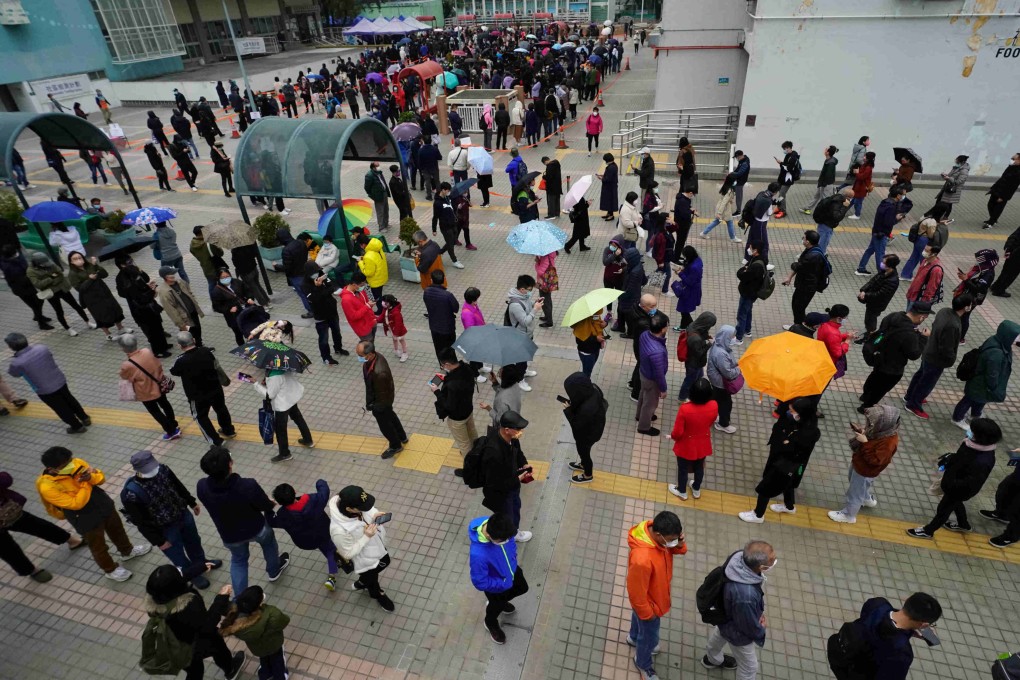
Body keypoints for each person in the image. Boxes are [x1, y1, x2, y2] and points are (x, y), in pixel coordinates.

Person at [36, 446, 150, 582]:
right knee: (98, 546)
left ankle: (127, 551)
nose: (71, 465)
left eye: (70, 460)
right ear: (51, 469)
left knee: (117, 530)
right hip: (83, 517)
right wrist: (86, 483)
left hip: (102, 504)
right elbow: (76, 503)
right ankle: (110, 570)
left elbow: (100, 478)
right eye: (65, 465)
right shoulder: (47, 487)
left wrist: (91, 477)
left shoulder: (76, 463)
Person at [120, 450, 221, 589]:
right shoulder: (131, 493)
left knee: (194, 542)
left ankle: (201, 563)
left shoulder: (163, 469)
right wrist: (158, 541)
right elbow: (140, 522)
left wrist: (191, 502)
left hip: (183, 515)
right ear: (137, 470)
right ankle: (191, 575)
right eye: (147, 469)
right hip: (164, 529)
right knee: (177, 555)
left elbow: (178, 486)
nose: (152, 470)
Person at [196, 446, 289, 595]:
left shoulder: (202, 487)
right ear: (230, 464)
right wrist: (270, 503)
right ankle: (274, 570)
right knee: (269, 545)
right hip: (257, 528)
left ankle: (239, 598)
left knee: (239, 561)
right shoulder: (247, 485)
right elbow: (264, 505)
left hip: (229, 534)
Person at [144, 566, 246, 680]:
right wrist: (221, 598)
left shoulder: (158, 598)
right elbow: (208, 624)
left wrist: (200, 567)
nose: (180, 571)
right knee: (219, 650)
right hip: (199, 642)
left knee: (194, 671)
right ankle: (231, 669)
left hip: (175, 647)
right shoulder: (189, 606)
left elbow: (175, 580)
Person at [908, 417, 1002, 539]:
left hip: (959, 489)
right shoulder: (972, 443)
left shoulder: (982, 461)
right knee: (956, 503)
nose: (969, 431)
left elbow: (971, 482)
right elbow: (962, 457)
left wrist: (951, 484)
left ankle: (928, 531)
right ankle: (963, 524)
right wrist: (952, 458)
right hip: (954, 482)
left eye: (972, 430)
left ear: (981, 436)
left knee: (944, 509)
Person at [739, 398, 821, 523]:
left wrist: (785, 440)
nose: (790, 412)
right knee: (788, 484)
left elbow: (790, 447)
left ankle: (758, 515)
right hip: (790, 465)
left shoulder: (806, 433)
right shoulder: (807, 426)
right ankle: (789, 506)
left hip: (785, 465)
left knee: (765, 488)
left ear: (801, 414)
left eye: (792, 411)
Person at [626, 511, 686, 680]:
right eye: (672, 539)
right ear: (659, 535)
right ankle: (643, 663)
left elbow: (677, 550)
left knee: (638, 619)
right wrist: (648, 614)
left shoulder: (656, 536)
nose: (673, 542)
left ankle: (634, 637)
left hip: (651, 597)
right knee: (650, 637)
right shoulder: (642, 559)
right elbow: (636, 594)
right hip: (650, 605)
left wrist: (679, 543)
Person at [828, 593, 942, 680]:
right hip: (854, 674)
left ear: (906, 600)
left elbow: (879, 626)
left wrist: (909, 632)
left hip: (839, 650)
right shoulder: (901, 653)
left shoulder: (877, 604)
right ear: (924, 624)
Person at [701, 541, 775, 675]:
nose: (774, 562)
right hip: (738, 631)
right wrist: (761, 629)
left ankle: (712, 659)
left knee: (721, 633)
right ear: (760, 567)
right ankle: (713, 658)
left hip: (726, 616)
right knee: (749, 668)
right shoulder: (745, 596)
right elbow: (747, 625)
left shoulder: (738, 557)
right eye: (772, 561)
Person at [0, 471, 82, 583]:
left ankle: (71, 540)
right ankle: (30, 570)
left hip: (8, 511)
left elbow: (6, 480)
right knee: (6, 549)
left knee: (37, 525)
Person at [826, 405, 900, 524]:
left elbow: (875, 460)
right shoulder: (882, 432)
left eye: (872, 422)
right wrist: (863, 434)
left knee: (855, 493)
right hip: (860, 465)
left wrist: (865, 442)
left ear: (882, 423)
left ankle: (849, 515)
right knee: (857, 485)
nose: (869, 424)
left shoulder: (888, 443)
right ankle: (866, 499)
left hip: (865, 470)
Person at [903, 294, 972, 419]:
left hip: (929, 350)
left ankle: (910, 395)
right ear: (966, 307)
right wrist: (951, 359)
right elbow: (947, 347)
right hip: (937, 358)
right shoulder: (953, 324)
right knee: (927, 382)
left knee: (921, 375)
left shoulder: (944, 311)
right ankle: (913, 404)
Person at [327, 485, 396, 611]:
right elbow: (347, 553)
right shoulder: (338, 530)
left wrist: (375, 514)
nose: (366, 509)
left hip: (376, 547)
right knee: (372, 579)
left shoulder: (353, 504)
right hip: (364, 559)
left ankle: (362, 582)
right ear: (349, 509)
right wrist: (366, 537)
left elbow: (368, 510)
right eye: (362, 508)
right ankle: (377, 594)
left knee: (385, 561)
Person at [6, 333, 91, 433]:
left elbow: (15, 374)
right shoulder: (42, 348)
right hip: (59, 380)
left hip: (44, 389)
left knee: (60, 408)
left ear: (12, 347)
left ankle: (77, 426)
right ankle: (84, 417)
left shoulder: (17, 362)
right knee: (69, 399)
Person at [468, 512, 529, 645]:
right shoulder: (478, 555)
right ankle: (490, 622)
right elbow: (480, 582)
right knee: (497, 604)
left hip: (511, 571)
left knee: (523, 588)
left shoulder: (500, 526)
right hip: (497, 586)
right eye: (503, 540)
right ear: (489, 536)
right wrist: (502, 584)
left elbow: (511, 542)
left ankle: (497, 604)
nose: (507, 541)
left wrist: (513, 557)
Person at [268, 481, 339, 591]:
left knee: (323, 546)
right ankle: (332, 576)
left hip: (305, 542)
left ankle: (335, 562)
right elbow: (324, 493)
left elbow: (271, 522)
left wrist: (268, 508)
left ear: (279, 502)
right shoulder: (312, 500)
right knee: (330, 550)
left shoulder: (283, 515)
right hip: (323, 533)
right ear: (295, 491)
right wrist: (320, 483)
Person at [858, 304, 930, 410]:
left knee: (874, 377)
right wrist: (923, 338)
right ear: (922, 317)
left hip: (879, 357)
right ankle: (866, 407)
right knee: (881, 388)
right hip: (893, 367)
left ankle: (865, 396)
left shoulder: (893, 316)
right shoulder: (909, 333)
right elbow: (914, 354)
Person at [170, 331, 236, 446]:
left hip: (197, 395)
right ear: (194, 340)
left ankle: (216, 441)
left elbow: (174, 371)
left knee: (201, 417)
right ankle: (229, 430)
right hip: (215, 388)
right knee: (221, 408)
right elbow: (216, 365)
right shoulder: (206, 351)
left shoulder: (181, 360)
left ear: (180, 346)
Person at [950, 320, 1019, 429]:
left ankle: (976, 414)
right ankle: (957, 418)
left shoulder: (996, 340)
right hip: (981, 382)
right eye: (1016, 336)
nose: (1017, 339)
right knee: (969, 399)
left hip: (980, 382)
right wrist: (993, 386)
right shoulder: (997, 353)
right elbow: (992, 373)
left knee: (980, 399)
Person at [478, 410, 533, 542]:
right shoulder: (493, 452)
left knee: (515, 508)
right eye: (518, 429)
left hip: (512, 486)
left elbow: (518, 452)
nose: (521, 431)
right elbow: (495, 482)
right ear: (507, 429)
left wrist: (524, 464)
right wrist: (517, 479)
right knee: (507, 515)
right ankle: (509, 536)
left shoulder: (512, 438)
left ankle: (514, 531)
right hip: (501, 493)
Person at [218, 586, 291, 679]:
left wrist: (222, 596)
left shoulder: (234, 620)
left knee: (264, 659)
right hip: (274, 644)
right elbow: (285, 621)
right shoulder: (271, 613)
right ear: (259, 604)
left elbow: (221, 607)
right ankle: (280, 677)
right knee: (278, 661)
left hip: (257, 648)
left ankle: (265, 674)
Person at [118, 334, 180, 439]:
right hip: (159, 385)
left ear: (123, 348)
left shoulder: (127, 365)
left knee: (155, 411)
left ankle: (171, 431)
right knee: (165, 404)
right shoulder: (147, 351)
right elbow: (158, 364)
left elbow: (125, 377)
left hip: (145, 392)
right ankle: (173, 423)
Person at [253, 363, 314, 465]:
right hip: (291, 398)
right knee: (298, 419)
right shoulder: (284, 365)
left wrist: (255, 383)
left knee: (280, 430)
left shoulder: (274, 376)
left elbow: (270, 395)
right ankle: (308, 440)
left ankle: (285, 454)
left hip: (283, 405)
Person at [667, 377, 718, 500]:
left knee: (683, 468)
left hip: (686, 446)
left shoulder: (685, 409)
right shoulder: (714, 405)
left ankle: (682, 491)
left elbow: (678, 432)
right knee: (699, 467)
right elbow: (711, 421)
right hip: (703, 443)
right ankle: (696, 488)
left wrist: (672, 437)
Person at [113, 254, 172, 356]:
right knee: (151, 330)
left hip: (149, 304)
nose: (132, 262)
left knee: (157, 325)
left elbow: (145, 279)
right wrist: (150, 291)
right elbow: (135, 295)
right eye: (129, 262)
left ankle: (164, 345)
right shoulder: (122, 278)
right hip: (141, 308)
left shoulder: (134, 271)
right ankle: (158, 351)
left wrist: (143, 277)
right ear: (122, 265)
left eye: (131, 260)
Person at [26, 249, 94, 337]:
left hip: (62, 288)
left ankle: (88, 322)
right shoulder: (31, 271)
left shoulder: (49, 263)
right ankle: (68, 329)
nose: (46, 264)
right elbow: (38, 284)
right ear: (37, 263)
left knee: (76, 305)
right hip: (51, 293)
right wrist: (51, 277)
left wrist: (51, 281)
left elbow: (60, 273)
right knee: (59, 311)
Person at [357, 340, 407, 459]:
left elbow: (382, 395)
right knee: (391, 415)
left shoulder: (379, 372)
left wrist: (375, 407)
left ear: (369, 355)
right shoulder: (376, 357)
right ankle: (402, 436)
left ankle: (395, 445)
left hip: (381, 402)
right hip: (384, 399)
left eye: (360, 356)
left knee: (385, 424)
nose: (359, 358)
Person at [66, 251, 129, 340]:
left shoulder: (90, 266)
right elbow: (79, 288)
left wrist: (95, 265)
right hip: (92, 298)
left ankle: (121, 328)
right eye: (75, 259)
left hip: (103, 292)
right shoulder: (72, 274)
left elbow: (104, 274)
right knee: (100, 314)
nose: (78, 260)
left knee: (113, 309)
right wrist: (90, 279)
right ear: (71, 262)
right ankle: (108, 334)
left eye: (80, 257)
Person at [433, 347, 480, 464]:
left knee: (464, 444)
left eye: (443, 365)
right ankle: (479, 453)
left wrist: (436, 392)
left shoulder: (453, 384)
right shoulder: (467, 369)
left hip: (457, 418)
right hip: (468, 410)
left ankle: (471, 468)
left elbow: (449, 406)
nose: (443, 368)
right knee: (473, 433)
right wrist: (447, 379)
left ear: (447, 364)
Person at [562, 372, 608, 483]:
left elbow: (576, 425)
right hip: (596, 428)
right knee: (585, 451)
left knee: (584, 453)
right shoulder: (593, 390)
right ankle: (582, 464)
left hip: (588, 435)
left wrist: (568, 410)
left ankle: (588, 474)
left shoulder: (586, 409)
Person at [301, 262, 346, 366]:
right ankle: (326, 358)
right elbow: (314, 299)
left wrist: (323, 291)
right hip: (320, 315)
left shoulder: (321, 274)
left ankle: (338, 348)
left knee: (337, 332)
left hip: (332, 311)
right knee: (323, 339)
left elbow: (331, 288)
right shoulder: (305, 284)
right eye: (314, 272)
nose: (317, 273)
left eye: (317, 271)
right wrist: (318, 287)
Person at [855, 187, 907, 276]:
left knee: (870, 250)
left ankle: (861, 268)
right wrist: (897, 219)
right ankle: (881, 273)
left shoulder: (885, 202)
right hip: (882, 233)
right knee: (880, 254)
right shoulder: (892, 206)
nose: (903, 196)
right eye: (903, 194)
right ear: (898, 195)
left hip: (876, 230)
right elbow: (888, 222)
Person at [505, 274, 543, 392]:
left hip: (527, 334)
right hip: (520, 336)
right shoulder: (515, 305)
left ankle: (524, 371)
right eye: (530, 290)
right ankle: (520, 379)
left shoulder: (523, 296)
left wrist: (534, 303)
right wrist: (535, 310)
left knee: (526, 356)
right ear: (522, 289)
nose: (530, 293)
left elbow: (527, 305)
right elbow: (525, 321)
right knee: (521, 359)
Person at [0, 245, 52, 330]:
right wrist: (33, 277)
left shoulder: (14, 259)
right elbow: (21, 277)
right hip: (22, 289)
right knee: (37, 303)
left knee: (37, 303)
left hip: (26, 286)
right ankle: (41, 323)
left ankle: (38, 316)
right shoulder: (8, 266)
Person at [782, 230, 827, 326]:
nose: (802, 239)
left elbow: (797, 266)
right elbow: (800, 265)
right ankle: (799, 324)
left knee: (798, 307)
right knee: (796, 305)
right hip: (804, 284)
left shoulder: (812, 256)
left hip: (807, 287)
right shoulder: (813, 249)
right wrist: (789, 277)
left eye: (804, 238)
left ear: (808, 242)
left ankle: (799, 327)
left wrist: (794, 264)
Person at [636, 313, 670, 436]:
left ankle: (639, 415)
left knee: (643, 394)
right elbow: (659, 374)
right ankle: (644, 427)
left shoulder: (645, 334)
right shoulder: (657, 352)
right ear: (662, 329)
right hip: (651, 379)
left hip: (643, 372)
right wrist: (663, 389)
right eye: (667, 325)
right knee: (650, 404)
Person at [954, 248, 999, 343]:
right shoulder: (982, 269)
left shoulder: (988, 274)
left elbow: (978, 289)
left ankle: (960, 338)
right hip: (969, 293)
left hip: (973, 298)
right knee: (962, 315)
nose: (977, 262)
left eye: (980, 260)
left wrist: (966, 280)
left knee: (965, 316)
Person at [157, 265, 205, 347]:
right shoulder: (164, 292)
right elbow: (171, 311)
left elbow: (189, 292)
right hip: (184, 319)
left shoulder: (180, 282)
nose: (174, 275)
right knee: (189, 336)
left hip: (192, 312)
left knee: (197, 330)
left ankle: (200, 345)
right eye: (171, 273)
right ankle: (194, 350)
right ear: (166, 277)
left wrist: (194, 302)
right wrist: (181, 325)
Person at [707, 325, 742, 434]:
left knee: (716, 398)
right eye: (732, 337)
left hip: (715, 380)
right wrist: (739, 369)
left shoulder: (719, 345)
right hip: (720, 383)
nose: (734, 339)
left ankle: (711, 414)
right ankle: (723, 424)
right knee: (726, 404)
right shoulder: (721, 353)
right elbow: (728, 374)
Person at [210, 266, 254, 346]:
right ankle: (242, 348)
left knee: (251, 329)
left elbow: (247, 291)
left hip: (246, 311)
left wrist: (249, 298)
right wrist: (228, 309)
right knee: (238, 334)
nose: (226, 278)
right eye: (223, 277)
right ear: (218, 278)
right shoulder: (216, 291)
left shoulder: (237, 282)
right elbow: (216, 307)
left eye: (227, 276)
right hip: (233, 317)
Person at [678, 312, 717, 402]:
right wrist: (709, 344)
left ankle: (694, 390)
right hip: (693, 363)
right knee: (689, 380)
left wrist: (707, 337)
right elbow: (699, 353)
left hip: (696, 362)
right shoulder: (695, 339)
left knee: (699, 376)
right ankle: (682, 397)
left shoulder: (693, 325)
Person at [423, 269, 460, 361]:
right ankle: (452, 366)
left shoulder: (427, 291)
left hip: (434, 326)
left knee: (438, 347)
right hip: (447, 327)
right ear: (444, 279)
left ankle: (443, 364)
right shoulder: (447, 295)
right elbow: (456, 308)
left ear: (431, 280)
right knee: (450, 348)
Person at [735, 241, 766, 344]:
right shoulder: (760, 259)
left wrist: (742, 271)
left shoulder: (756, 265)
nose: (749, 249)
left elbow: (742, 275)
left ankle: (738, 338)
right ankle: (747, 330)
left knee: (741, 315)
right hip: (753, 293)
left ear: (756, 250)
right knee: (748, 311)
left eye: (751, 247)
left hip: (748, 293)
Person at [924, 154, 970, 219]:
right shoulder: (956, 168)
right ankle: (935, 214)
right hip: (947, 187)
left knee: (948, 204)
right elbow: (950, 176)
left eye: (957, 161)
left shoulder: (964, 171)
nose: (956, 162)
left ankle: (944, 216)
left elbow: (959, 182)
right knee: (940, 201)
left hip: (952, 190)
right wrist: (945, 175)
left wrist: (948, 178)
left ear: (962, 162)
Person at [279, 229, 313, 315]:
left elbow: (287, 267)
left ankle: (311, 311)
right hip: (305, 272)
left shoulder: (286, 250)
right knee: (309, 292)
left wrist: (277, 267)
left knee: (303, 294)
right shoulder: (301, 242)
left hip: (296, 276)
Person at [983, 152, 1020, 229]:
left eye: (1014, 159)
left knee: (998, 208)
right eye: (1012, 158)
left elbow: (1012, 186)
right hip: (997, 189)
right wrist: (993, 188)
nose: (1011, 160)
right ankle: (993, 219)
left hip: (1004, 193)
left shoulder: (1018, 172)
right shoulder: (1011, 167)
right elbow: (1002, 178)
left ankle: (991, 222)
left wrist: (1003, 196)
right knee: (990, 205)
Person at [812, 187, 854, 254]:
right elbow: (837, 217)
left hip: (825, 224)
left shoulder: (837, 197)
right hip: (826, 225)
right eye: (851, 198)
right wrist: (844, 207)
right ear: (848, 198)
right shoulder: (838, 203)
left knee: (823, 242)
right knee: (822, 245)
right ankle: (818, 258)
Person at [339, 270, 378, 343]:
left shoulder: (359, 290)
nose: (363, 287)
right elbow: (353, 316)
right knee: (367, 347)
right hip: (362, 328)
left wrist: (370, 306)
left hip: (371, 321)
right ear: (354, 284)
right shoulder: (346, 300)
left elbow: (366, 303)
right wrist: (367, 306)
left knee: (371, 344)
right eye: (361, 285)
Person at [671, 245, 703, 329]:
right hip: (692, 289)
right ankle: (685, 326)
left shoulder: (694, 267)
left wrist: (680, 273)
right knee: (684, 310)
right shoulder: (697, 260)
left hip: (689, 291)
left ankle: (688, 326)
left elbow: (689, 282)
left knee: (684, 310)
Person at [905, 244, 945, 311]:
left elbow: (932, 288)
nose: (924, 252)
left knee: (910, 318)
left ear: (933, 254)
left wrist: (924, 302)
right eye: (924, 249)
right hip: (912, 294)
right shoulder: (924, 261)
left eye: (927, 251)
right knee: (907, 314)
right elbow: (917, 278)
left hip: (919, 299)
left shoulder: (936, 269)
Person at [433, 182, 464, 267]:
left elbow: (452, 209)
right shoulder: (437, 203)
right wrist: (434, 229)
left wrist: (457, 207)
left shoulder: (447, 198)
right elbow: (435, 217)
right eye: (447, 190)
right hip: (445, 226)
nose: (449, 192)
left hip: (453, 224)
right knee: (450, 244)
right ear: (443, 190)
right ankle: (454, 261)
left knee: (453, 241)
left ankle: (439, 253)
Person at [571, 305, 607, 378]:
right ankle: (585, 385)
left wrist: (605, 324)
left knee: (589, 369)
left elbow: (598, 324)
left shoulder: (594, 317)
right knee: (587, 372)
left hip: (595, 349)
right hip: (587, 353)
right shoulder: (582, 324)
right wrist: (595, 339)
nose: (598, 316)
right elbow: (581, 341)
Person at [356, 235, 389, 311]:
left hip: (375, 281)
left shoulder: (368, 256)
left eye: (360, 245)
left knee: (377, 297)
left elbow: (368, 273)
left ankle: (380, 311)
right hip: (382, 276)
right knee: (379, 294)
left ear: (363, 244)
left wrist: (360, 262)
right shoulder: (377, 248)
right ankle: (383, 307)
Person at [803, 145, 839, 213]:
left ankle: (824, 213)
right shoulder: (829, 160)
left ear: (828, 153)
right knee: (817, 196)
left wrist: (823, 183)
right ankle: (808, 208)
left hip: (825, 184)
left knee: (825, 199)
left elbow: (828, 175)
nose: (824, 150)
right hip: (822, 183)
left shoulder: (830, 163)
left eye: (826, 150)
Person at [747, 182, 777, 262]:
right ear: (775, 192)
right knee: (764, 244)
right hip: (761, 223)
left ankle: (746, 258)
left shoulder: (761, 193)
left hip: (754, 220)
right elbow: (769, 213)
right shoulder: (769, 201)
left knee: (751, 239)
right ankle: (764, 262)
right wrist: (776, 207)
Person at [771, 141, 800, 218]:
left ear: (788, 148)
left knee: (782, 194)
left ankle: (783, 211)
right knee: (781, 193)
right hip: (783, 178)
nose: (784, 150)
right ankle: (779, 207)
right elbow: (786, 165)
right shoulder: (789, 155)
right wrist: (782, 163)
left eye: (784, 148)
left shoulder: (793, 157)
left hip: (787, 180)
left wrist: (780, 163)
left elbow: (788, 168)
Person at [991, 225, 1020, 297]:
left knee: (1006, 271)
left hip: (1012, 250)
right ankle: (999, 290)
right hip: (1017, 254)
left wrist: (1008, 248)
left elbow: (1014, 236)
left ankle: (996, 286)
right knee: (1011, 274)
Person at [849, 151, 876, 219]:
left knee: (858, 202)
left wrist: (857, 173)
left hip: (862, 187)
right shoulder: (865, 165)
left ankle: (857, 215)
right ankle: (844, 211)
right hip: (859, 186)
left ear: (868, 158)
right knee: (853, 200)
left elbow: (862, 177)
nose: (864, 157)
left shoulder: (868, 167)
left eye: (865, 156)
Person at [535, 250, 558, 327]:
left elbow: (540, 271)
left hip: (544, 282)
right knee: (547, 299)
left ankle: (549, 321)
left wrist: (537, 263)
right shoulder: (550, 253)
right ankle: (547, 317)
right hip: (548, 281)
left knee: (545, 301)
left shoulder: (545, 256)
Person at [597, 153, 619, 220]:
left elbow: (608, 179)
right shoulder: (613, 166)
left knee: (610, 200)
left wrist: (602, 178)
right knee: (609, 200)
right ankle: (609, 213)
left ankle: (611, 215)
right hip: (611, 187)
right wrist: (603, 176)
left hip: (610, 187)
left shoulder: (611, 167)